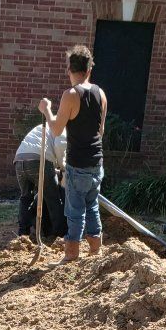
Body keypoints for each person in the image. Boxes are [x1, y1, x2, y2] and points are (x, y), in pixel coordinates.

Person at [39, 44, 107, 263]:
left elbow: (56, 129)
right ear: (89, 70)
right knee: (92, 206)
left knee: (75, 211)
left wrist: (46, 110)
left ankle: (71, 255)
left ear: (70, 69)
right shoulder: (101, 94)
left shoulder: (70, 95)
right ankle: (96, 252)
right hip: (97, 163)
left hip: (78, 164)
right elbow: (101, 131)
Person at [14, 123, 67, 240]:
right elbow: (60, 146)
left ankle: (23, 234)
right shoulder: (61, 126)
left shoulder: (43, 125)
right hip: (39, 160)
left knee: (25, 198)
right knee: (53, 198)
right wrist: (63, 167)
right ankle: (60, 235)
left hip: (19, 159)